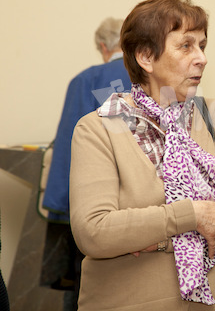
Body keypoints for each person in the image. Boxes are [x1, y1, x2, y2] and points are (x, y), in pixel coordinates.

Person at [69, 0, 215, 310]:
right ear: (145, 56)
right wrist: (192, 217)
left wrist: (148, 236)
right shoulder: (97, 128)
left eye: (202, 45)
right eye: (186, 46)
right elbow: (95, 231)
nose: (201, 57)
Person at [41, 17, 131, 310]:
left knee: (85, 282)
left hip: (98, 202)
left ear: (104, 47)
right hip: (146, 205)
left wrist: (61, 205)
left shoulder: (86, 80)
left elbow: (70, 144)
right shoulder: (149, 73)